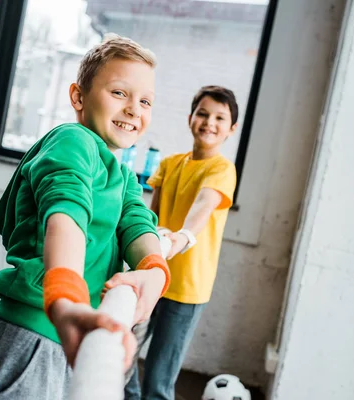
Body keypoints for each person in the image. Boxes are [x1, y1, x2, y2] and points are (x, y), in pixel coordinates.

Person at [0, 34, 171, 400]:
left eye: (146, 101)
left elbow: (136, 222)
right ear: (78, 97)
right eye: (120, 93)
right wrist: (66, 302)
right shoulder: (73, 141)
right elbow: (66, 214)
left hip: (72, 332)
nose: (135, 109)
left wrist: (154, 270)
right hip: (33, 332)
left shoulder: (120, 174)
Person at [125, 86, 239, 400]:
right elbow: (153, 215)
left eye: (219, 117)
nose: (209, 122)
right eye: (202, 113)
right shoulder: (170, 164)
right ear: (190, 118)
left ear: (232, 129)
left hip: (187, 288)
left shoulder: (222, 169)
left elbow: (204, 205)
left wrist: (183, 237)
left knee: (159, 380)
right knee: (121, 355)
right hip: (153, 274)